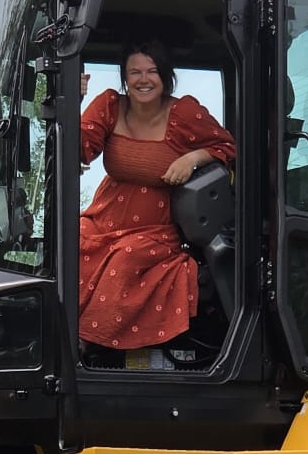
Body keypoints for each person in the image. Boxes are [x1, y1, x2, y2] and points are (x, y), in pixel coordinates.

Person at [77, 42, 236, 361]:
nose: (143, 79)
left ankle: (87, 346)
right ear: (125, 78)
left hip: (151, 230)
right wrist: (72, 104)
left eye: (152, 71)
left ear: (165, 76)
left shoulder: (184, 113)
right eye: (135, 72)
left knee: (124, 260)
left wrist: (192, 158)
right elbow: (79, 150)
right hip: (103, 217)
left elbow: (228, 147)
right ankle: (62, 338)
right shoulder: (109, 105)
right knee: (70, 243)